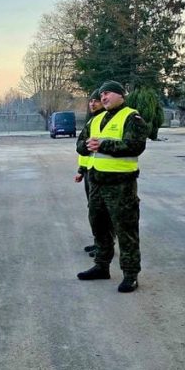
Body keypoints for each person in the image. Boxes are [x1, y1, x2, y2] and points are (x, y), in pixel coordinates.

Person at [76, 81, 148, 293]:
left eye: (107, 93)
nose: (103, 97)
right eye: (102, 94)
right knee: (98, 226)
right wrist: (86, 145)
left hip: (121, 185)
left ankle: (130, 274)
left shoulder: (131, 117)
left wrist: (103, 144)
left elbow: (136, 145)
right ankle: (101, 266)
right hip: (97, 183)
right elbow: (80, 144)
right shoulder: (96, 119)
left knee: (125, 230)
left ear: (120, 96)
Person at [75, 89, 105, 256]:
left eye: (96, 101)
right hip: (90, 172)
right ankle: (98, 242)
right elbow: (82, 147)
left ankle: (104, 246)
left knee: (101, 212)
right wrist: (81, 170)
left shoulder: (104, 120)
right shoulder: (91, 121)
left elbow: (91, 146)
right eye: (91, 101)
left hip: (102, 173)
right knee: (94, 210)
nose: (93, 104)